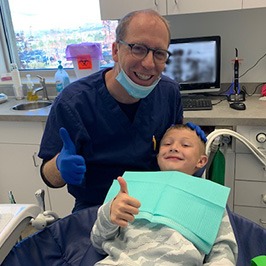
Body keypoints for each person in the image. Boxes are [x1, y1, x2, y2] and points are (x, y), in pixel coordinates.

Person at [38, 9, 183, 212]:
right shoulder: (74, 103)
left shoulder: (169, 93)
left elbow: (173, 156)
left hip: (154, 205)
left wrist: (191, 150)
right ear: (115, 50)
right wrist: (60, 165)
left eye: (159, 53)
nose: (149, 63)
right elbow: (49, 177)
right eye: (138, 48)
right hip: (95, 209)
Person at [90, 123, 238, 265]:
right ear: (158, 156)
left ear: (201, 161)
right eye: (167, 144)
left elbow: (224, 251)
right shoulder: (128, 190)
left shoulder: (208, 198)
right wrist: (109, 214)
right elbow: (97, 242)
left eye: (185, 145)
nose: (173, 148)